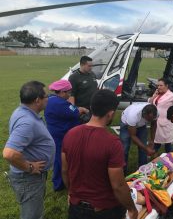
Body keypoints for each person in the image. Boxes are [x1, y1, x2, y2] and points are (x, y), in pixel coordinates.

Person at [61, 89, 138, 219]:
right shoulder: (113, 143)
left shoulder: (70, 134)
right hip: (104, 210)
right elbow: (118, 185)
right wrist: (132, 209)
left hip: (76, 208)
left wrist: (71, 193)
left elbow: (64, 170)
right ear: (111, 114)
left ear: (91, 107)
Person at [2, 81, 55, 219]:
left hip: (30, 177)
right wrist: (29, 167)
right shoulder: (27, 121)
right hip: (29, 179)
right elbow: (9, 153)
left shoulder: (22, 111)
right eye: (46, 96)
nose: (48, 98)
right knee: (32, 215)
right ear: (37, 100)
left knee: (35, 212)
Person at [44, 79, 89, 191]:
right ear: (62, 92)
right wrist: (82, 109)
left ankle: (60, 182)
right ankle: (59, 184)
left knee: (59, 159)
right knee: (61, 160)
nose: (70, 95)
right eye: (68, 92)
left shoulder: (51, 100)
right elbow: (74, 112)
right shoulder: (60, 103)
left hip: (56, 133)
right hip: (61, 136)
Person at [148, 78, 173, 153]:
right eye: (158, 85)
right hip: (156, 122)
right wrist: (154, 96)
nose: (159, 87)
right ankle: (153, 159)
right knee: (156, 142)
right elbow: (149, 102)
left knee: (168, 144)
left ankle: (170, 160)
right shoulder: (157, 94)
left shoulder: (172, 95)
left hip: (166, 123)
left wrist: (172, 113)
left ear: (166, 86)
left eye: (161, 85)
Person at [120, 103, 157, 173]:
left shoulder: (156, 112)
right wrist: (146, 148)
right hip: (126, 123)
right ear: (143, 114)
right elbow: (133, 136)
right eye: (148, 119)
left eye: (151, 119)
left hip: (141, 125)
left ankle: (143, 171)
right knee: (124, 148)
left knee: (143, 148)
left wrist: (152, 140)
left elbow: (154, 124)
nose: (149, 121)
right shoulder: (133, 116)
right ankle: (122, 171)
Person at [68, 56, 98, 122]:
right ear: (82, 65)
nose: (91, 68)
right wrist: (75, 111)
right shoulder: (74, 77)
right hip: (82, 110)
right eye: (89, 66)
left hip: (93, 108)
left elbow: (95, 88)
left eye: (92, 66)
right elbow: (71, 95)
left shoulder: (92, 74)